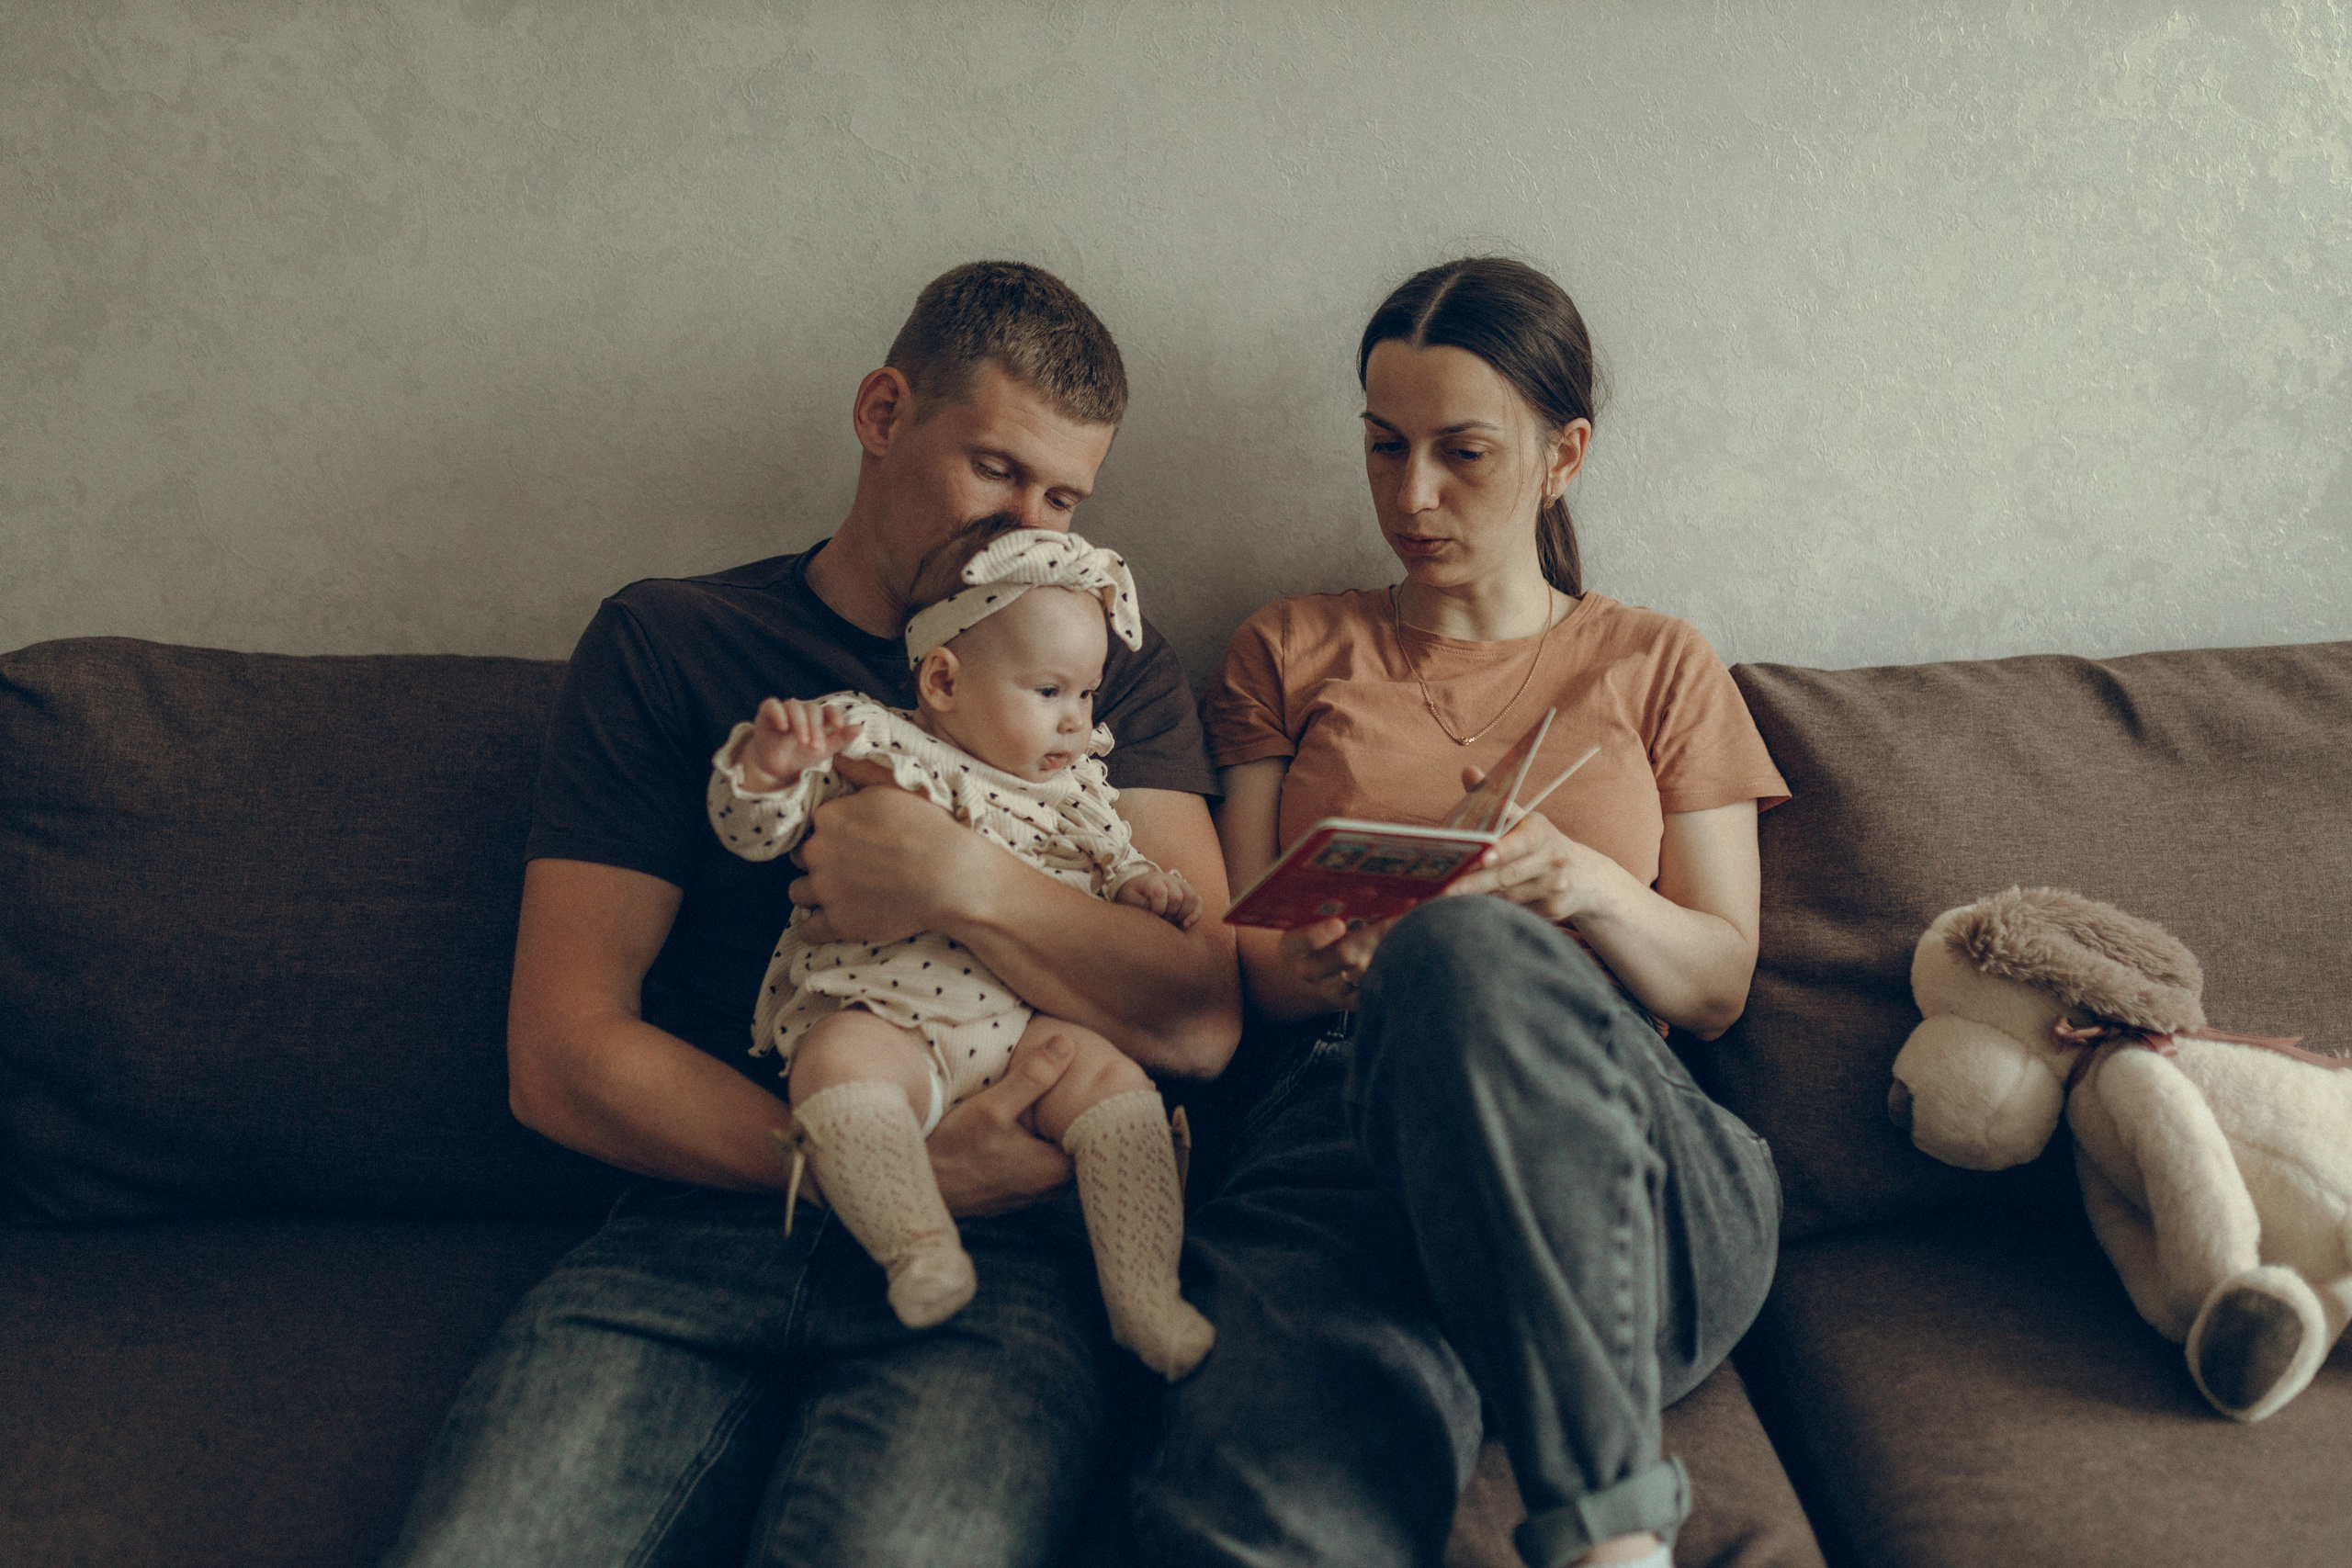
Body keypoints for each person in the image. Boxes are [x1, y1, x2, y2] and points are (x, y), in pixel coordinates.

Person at [384, 261, 1240, 1568]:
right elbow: (559, 1054)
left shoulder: (1101, 669)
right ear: (884, 412)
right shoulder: (675, 643)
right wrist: (865, 1158)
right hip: (701, 1224)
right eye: (998, 471)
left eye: (1063, 496)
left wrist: (960, 878)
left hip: (1005, 1257)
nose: (1028, 524)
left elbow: (1201, 1021)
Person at [1136, 256, 1788, 1568]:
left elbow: (1717, 982)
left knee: (1470, 951)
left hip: (1631, 1171)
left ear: (1564, 455)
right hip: (1344, 1141)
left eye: (1461, 453)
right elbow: (1241, 966)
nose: (1411, 495)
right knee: (1247, 1520)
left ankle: (1610, 1533)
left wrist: (1585, 885)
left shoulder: (1659, 661)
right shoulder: (1288, 647)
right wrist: (1325, 961)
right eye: (1384, 448)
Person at [708, 525, 1215, 1377]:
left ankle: (1145, 1295)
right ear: (943, 678)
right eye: (1050, 689)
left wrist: (1144, 891)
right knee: (838, 1065)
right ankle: (917, 1248)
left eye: (1087, 696)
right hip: (886, 1013)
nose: (1076, 719)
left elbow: (1118, 871)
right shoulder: (871, 742)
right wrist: (768, 773)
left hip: (1023, 1026)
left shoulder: (1077, 792)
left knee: (1116, 1087)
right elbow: (764, 835)